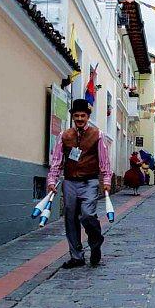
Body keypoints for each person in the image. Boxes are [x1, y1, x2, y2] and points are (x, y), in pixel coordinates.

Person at [47, 99, 112, 269]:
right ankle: (77, 256)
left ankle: (95, 242)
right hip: (69, 182)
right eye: (76, 116)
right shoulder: (64, 136)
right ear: (72, 117)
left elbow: (104, 161)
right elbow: (56, 160)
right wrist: (52, 180)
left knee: (87, 215)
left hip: (89, 181)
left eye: (83, 115)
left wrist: (106, 180)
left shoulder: (97, 134)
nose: (80, 119)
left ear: (88, 116)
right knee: (70, 219)